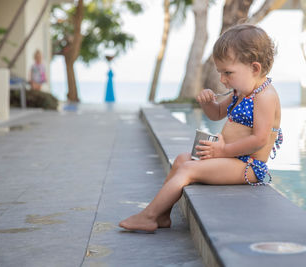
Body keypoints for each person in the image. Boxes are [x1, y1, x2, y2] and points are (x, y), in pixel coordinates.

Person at [119, 24, 283, 232]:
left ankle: (148, 216)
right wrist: (208, 104)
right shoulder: (240, 92)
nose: (222, 79)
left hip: (248, 167)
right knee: (181, 160)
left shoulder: (265, 97)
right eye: (220, 73)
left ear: (254, 68)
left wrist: (222, 151)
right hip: (230, 159)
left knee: (188, 169)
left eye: (228, 73)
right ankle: (162, 215)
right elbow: (216, 114)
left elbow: (259, 139)